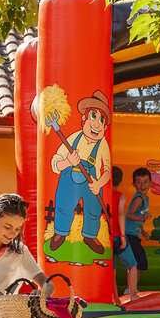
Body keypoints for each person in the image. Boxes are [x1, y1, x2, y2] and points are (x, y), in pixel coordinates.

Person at [46, 90, 112, 255]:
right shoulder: (73, 138)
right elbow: (55, 162)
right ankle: (60, 233)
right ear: (84, 118)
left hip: (92, 181)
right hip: (69, 178)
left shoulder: (103, 144)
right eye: (93, 116)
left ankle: (90, 236)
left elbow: (107, 170)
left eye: (101, 120)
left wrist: (98, 184)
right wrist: (68, 162)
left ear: (105, 127)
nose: (97, 124)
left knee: (93, 209)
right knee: (63, 205)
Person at [117, 167, 153, 299]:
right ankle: (130, 289)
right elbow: (130, 215)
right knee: (138, 262)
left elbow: (136, 219)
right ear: (134, 184)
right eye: (139, 182)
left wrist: (143, 232)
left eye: (145, 181)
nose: (142, 185)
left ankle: (132, 287)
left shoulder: (145, 198)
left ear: (150, 183)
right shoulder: (139, 199)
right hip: (129, 235)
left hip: (134, 235)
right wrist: (143, 218)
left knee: (140, 263)